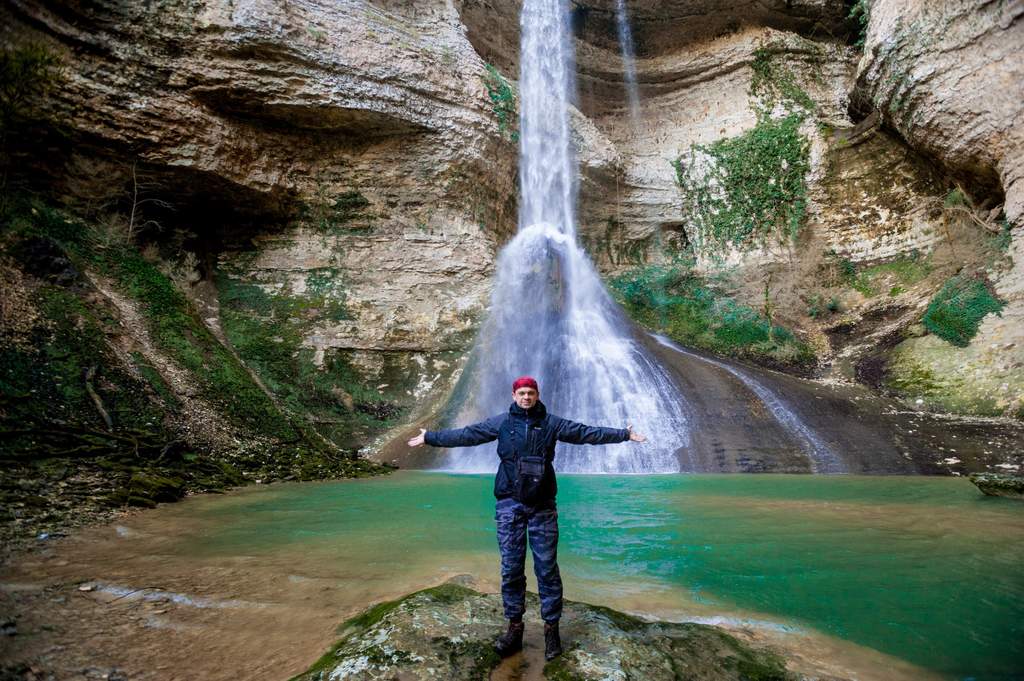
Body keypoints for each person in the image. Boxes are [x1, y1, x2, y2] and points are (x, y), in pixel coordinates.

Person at [407, 375, 646, 661]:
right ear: (513, 395)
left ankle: (551, 630)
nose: (526, 397)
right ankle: (514, 629)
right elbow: (467, 435)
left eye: (530, 393)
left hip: (543, 507)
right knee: (510, 568)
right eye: (522, 393)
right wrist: (430, 437)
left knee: (546, 569)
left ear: (537, 394)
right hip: (509, 505)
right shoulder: (501, 423)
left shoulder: (552, 423)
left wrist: (623, 434)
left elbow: (585, 433)